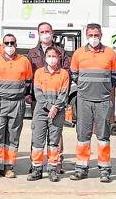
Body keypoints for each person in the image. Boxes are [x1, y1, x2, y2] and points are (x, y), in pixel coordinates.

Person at [70, 23, 116, 183]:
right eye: (90, 35)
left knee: (103, 137)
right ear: (86, 35)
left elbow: (114, 78)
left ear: (101, 35)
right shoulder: (78, 54)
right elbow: (74, 75)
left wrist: (105, 94)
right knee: (82, 136)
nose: (93, 38)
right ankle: (81, 168)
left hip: (103, 101)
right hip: (83, 100)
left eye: (96, 35)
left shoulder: (110, 54)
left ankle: (104, 170)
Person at [0, 34, 32, 180]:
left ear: (16, 44)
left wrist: (26, 96)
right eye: (7, 43)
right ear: (2, 45)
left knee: (12, 136)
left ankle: (8, 167)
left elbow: (28, 81)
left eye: (12, 43)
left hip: (17, 103)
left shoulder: (24, 61)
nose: (10, 46)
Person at [26, 22, 71, 173]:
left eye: (47, 31)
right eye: (42, 31)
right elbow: (29, 75)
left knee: (56, 134)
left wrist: (58, 104)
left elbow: (66, 72)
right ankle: (35, 165)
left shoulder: (61, 51)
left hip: (57, 98)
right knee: (37, 131)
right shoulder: (32, 52)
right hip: (38, 100)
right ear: (38, 33)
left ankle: (56, 164)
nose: (45, 34)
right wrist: (28, 93)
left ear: (52, 33)